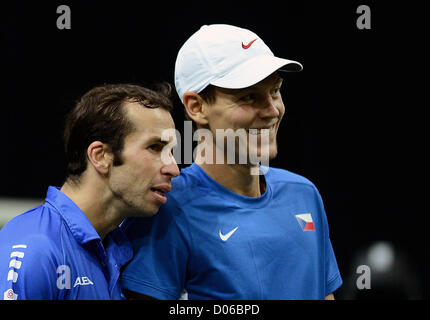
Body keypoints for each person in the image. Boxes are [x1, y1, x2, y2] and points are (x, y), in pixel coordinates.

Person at [120, 24, 342, 300]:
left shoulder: (304, 193)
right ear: (196, 106)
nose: (272, 111)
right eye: (248, 97)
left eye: (275, 91)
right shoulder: (165, 207)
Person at [0, 83, 180, 300]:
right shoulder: (36, 250)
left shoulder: (119, 248)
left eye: (171, 152)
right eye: (155, 148)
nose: (174, 168)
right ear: (100, 156)